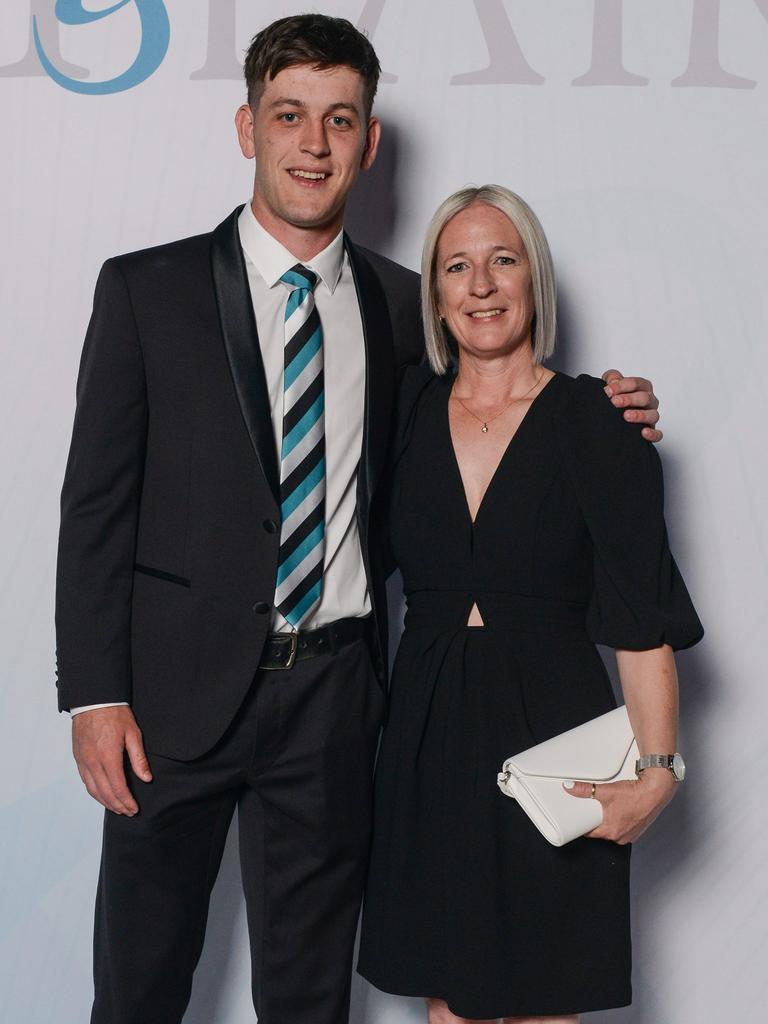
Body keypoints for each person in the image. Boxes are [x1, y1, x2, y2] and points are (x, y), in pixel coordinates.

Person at [55, 14, 662, 1024]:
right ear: (246, 127)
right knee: (140, 981)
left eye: (341, 120)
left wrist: (606, 403)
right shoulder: (144, 292)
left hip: (334, 703)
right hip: (169, 700)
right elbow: (95, 510)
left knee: (307, 993)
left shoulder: (404, 309)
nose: (316, 143)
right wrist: (96, 694)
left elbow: (498, 402)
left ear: (371, 141)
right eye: (290, 116)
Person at [357, 185, 703, 1024]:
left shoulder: (600, 422)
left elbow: (640, 619)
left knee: (547, 999)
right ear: (434, 297)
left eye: (502, 261)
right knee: (453, 1002)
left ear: (533, 280)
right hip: (429, 732)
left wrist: (658, 773)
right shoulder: (399, 412)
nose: (481, 285)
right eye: (457, 266)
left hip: (556, 736)